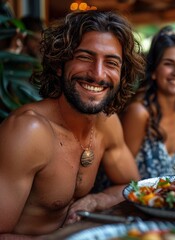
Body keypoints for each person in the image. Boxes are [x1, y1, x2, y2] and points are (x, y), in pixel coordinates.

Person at [0, 10, 144, 236]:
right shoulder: (29, 131)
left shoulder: (106, 122)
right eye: (85, 57)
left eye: (111, 63)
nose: (97, 74)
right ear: (60, 64)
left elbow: (133, 187)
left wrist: (97, 200)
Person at [121, 26, 175, 179]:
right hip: (132, 200)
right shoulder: (139, 113)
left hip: (170, 199)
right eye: (169, 64)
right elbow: (121, 178)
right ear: (154, 71)